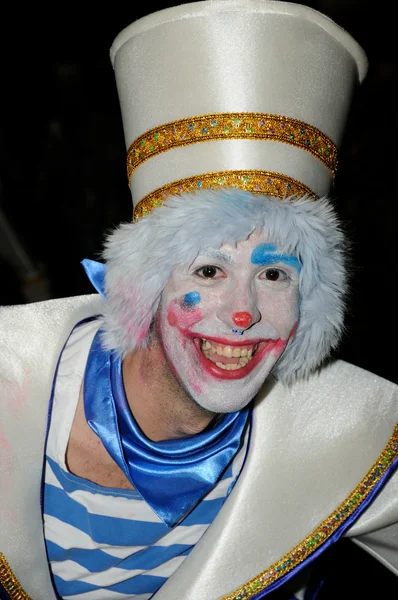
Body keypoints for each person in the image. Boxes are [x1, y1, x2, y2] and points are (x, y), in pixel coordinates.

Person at [1, 1, 397, 599]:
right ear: (144, 284)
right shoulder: (12, 378)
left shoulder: (351, 433)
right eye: (210, 269)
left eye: (275, 276)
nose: (243, 314)